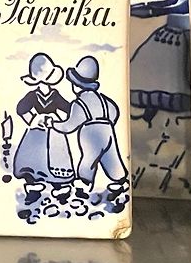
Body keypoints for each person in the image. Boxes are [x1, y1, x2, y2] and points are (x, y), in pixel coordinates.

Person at [54, 56, 129, 195]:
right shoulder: (103, 99)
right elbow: (114, 112)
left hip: (91, 133)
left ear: (76, 85)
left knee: (89, 159)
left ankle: (83, 185)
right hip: (108, 130)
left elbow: (69, 126)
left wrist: (53, 124)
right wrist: (107, 124)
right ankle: (119, 182)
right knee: (112, 157)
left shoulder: (79, 103)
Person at [11, 53, 75, 204]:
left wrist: (59, 120)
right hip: (36, 132)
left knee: (56, 158)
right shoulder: (32, 95)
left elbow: (68, 108)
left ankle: (59, 188)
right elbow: (21, 109)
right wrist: (34, 120)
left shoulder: (55, 95)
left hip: (53, 131)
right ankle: (34, 187)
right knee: (34, 159)